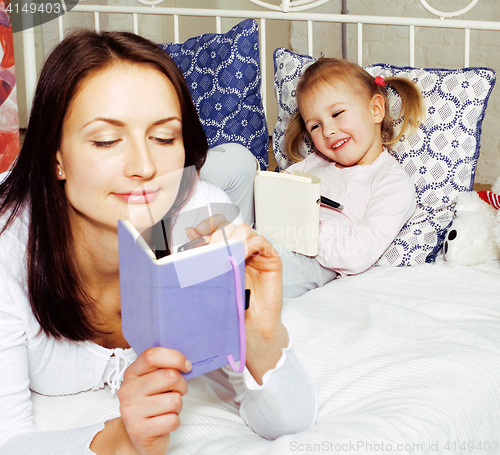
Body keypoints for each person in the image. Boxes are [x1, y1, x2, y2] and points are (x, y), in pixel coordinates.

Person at [0, 30, 317, 454]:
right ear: (55, 155)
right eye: (107, 140)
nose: (145, 166)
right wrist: (120, 441)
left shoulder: (203, 217)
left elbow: (289, 422)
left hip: (193, 205)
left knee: (234, 169)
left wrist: (259, 334)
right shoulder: (8, 255)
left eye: (165, 138)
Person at [278, 58, 423, 297]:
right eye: (315, 126)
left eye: (337, 113)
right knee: (236, 159)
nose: (328, 131)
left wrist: (306, 229)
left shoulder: (391, 182)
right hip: (266, 235)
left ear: (375, 109)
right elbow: (278, 192)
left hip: (314, 261)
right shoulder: (315, 162)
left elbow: (361, 251)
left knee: (255, 265)